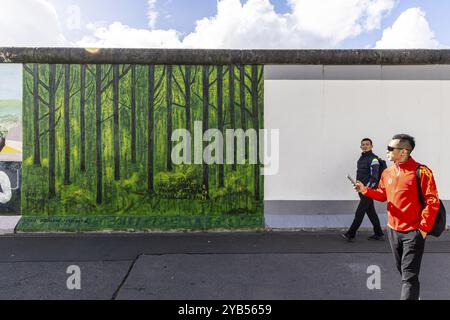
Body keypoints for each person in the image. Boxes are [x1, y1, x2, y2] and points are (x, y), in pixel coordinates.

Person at [353, 134, 440, 300]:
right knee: (403, 271)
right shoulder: (387, 172)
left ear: (404, 152)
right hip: (393, 230)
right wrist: (364, 190)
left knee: (409, 276)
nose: (387, 151)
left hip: (413, 232)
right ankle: (414, 294)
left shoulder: (422, 172)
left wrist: (422, 229)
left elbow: (432, 201)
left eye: (391, 149)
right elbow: (382, 195)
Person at [342, 138, 384, 241]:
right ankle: (379, 233)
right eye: (363, 144)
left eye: (367, 144)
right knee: (371, 212)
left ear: (371, 146)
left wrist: (367, 189)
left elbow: (374, 177)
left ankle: (350, 234)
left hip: (367, 191)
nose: (365, 146)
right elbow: (361, 174)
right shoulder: (361, 159)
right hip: (361, 190)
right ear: (361, 146)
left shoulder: (373, 159)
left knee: (359, 212)